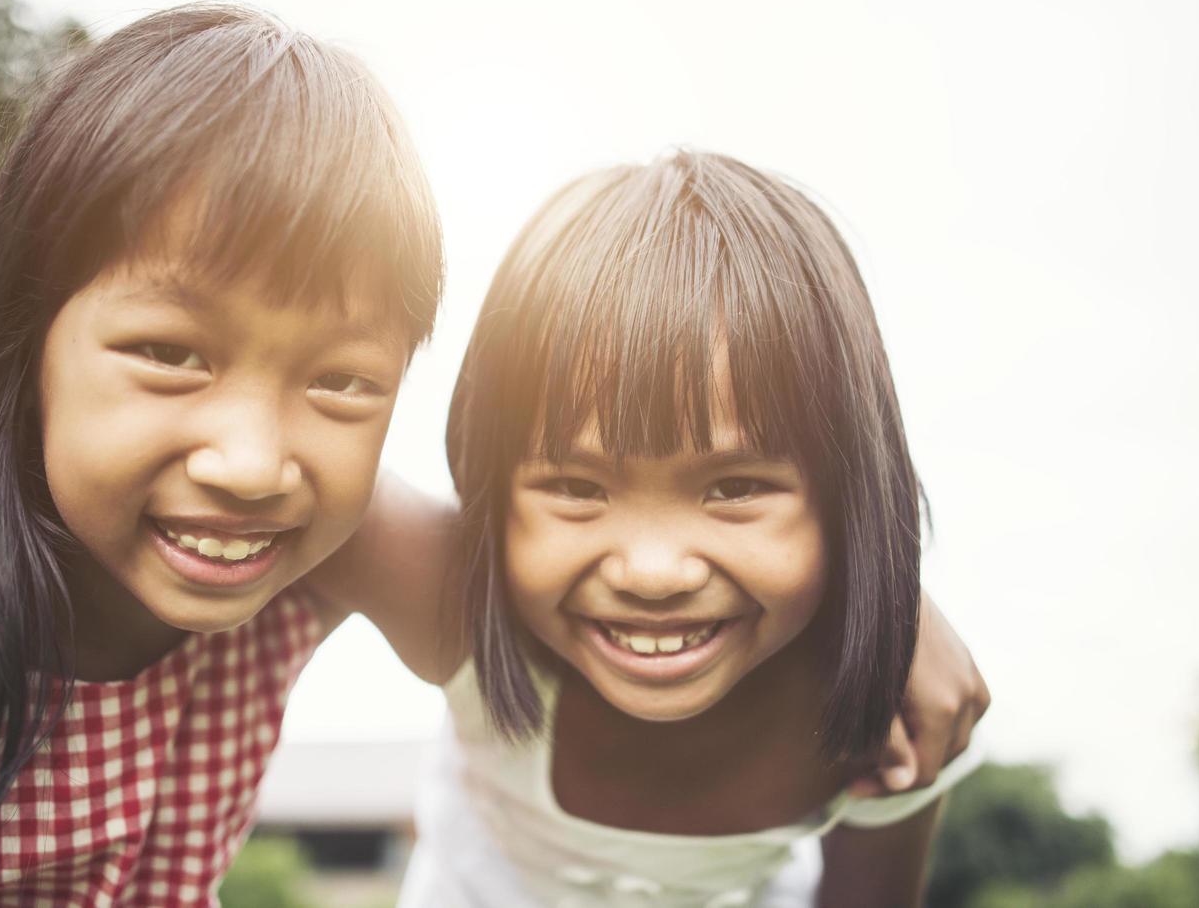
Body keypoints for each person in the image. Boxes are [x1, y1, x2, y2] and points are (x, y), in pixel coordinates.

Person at [0, 20, 988, 903]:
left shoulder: (880, 719)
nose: (250, 459)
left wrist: (881, 595)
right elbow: (16, 405)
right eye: (572, 484)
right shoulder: (441, 580)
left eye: (342, 380)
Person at [0, 1, 444, 905]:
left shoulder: (273, 608)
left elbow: (492, 619)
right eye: (169, 354)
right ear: (28, 343)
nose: (250, 462)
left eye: (343, 382)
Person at [397, 151, 985, 907]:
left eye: (734, 487)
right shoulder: (452, 606)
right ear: (487, 484)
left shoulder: (897, 720)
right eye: (577, 487)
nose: (651, 569)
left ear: (849, 494)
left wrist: (888, 609)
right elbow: (306, 487)